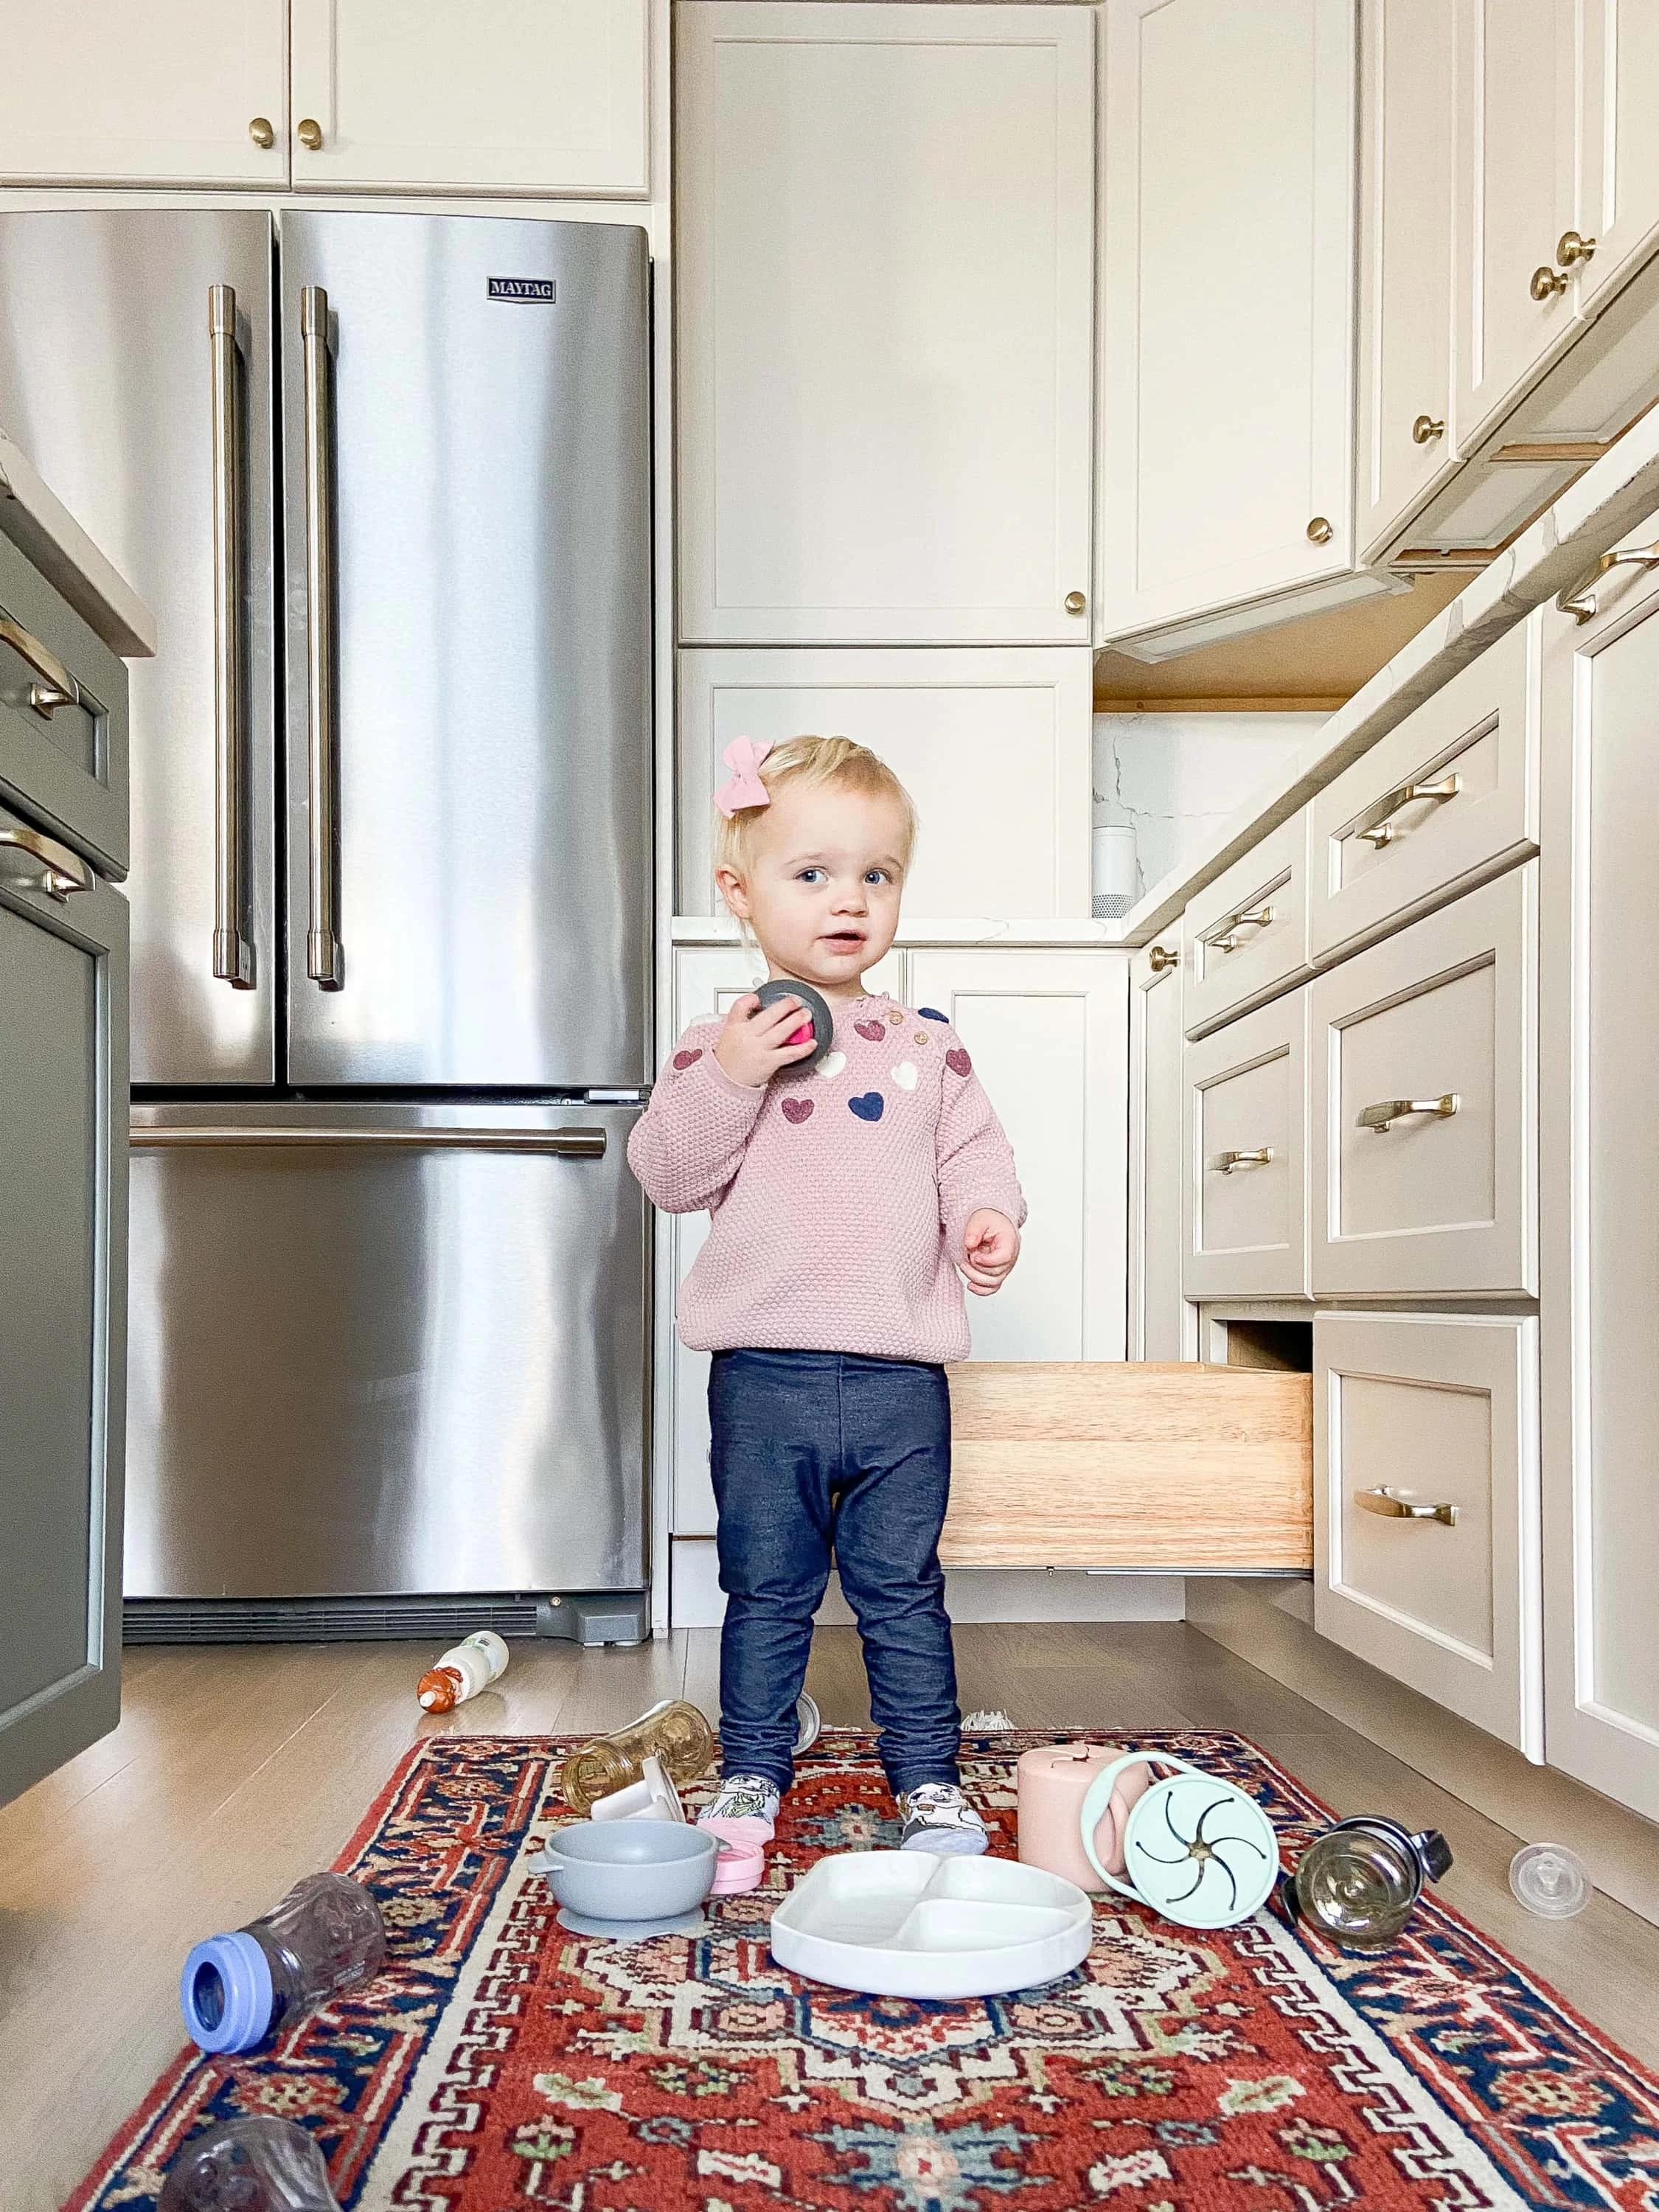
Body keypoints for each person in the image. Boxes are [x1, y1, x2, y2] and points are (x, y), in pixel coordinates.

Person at [627, 734, 1026, 1877]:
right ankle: (752, 1767)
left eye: (875, 875)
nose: (847, 900)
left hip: (902, 1380)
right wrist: (735, 1077)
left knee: (903, 1592)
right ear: (738, 895)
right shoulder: (720, 1045)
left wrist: (986, 1217)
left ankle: (929, 1778)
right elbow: (669, 1175)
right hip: (766, 1381)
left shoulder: (929, 1049)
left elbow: (974, 1156)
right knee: (766, 1588)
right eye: (811, 874)